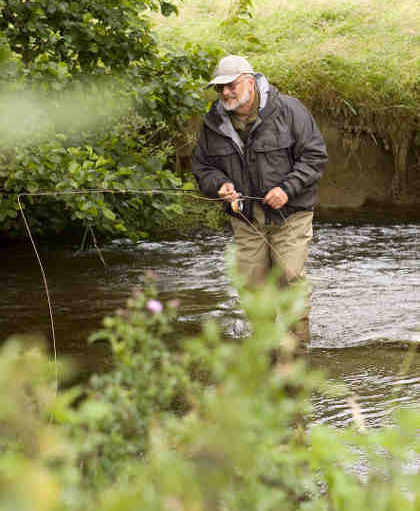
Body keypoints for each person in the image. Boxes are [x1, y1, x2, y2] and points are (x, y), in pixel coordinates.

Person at [192, 55, 328, 341]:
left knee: (290, 280)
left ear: (250, 83)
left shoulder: (289, 111)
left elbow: (314, 156)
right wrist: (220, 185)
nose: (225, 93)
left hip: (290, 215)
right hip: (246, 219)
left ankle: (296, 354)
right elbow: (203, 168)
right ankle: (264, 350)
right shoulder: (213, 123)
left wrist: (287, 188)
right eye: (220, 88)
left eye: (231, 86)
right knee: (253, 287)